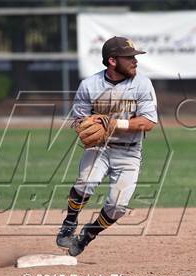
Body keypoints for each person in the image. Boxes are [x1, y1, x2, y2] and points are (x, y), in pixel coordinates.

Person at [56, 36, 158, 256]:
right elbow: (79, 121)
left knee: (118, 206)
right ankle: (69, 222)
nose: (135, 61)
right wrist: (85, 126)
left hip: (129, 152)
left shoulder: (142, 84)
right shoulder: (89, 85)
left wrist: (113, 123)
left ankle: (88, 234)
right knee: (86, 183)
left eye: (134, 57)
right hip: (99, 148)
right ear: (113, 60)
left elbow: (148, 123)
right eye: (129, 57)